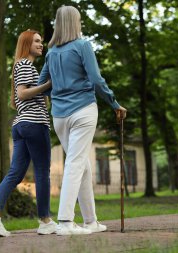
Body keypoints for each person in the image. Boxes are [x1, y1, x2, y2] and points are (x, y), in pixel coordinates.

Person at [38, 6, 127, 236]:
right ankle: (66, 221)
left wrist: (58, 95)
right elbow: (96, 80)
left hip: (59, 116)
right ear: (75, 23)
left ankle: (91, 221)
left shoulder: (51, 53)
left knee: (82, 165)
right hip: (83, 111)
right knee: (76, 164)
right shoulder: (82, 45)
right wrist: (114, 103)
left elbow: (42, 84)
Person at [0, 30, 57, 237]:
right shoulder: (25, 64)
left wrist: (44, 90)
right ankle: (45, 221)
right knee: (42, 172)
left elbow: (18, 100)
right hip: (34, 124)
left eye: (42, 41)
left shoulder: (23, 66)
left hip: (21, 125)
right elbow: (22, 93)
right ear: (27, 44)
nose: (42, 44)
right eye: (37, 41)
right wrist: (48, 84)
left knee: (15, 173)